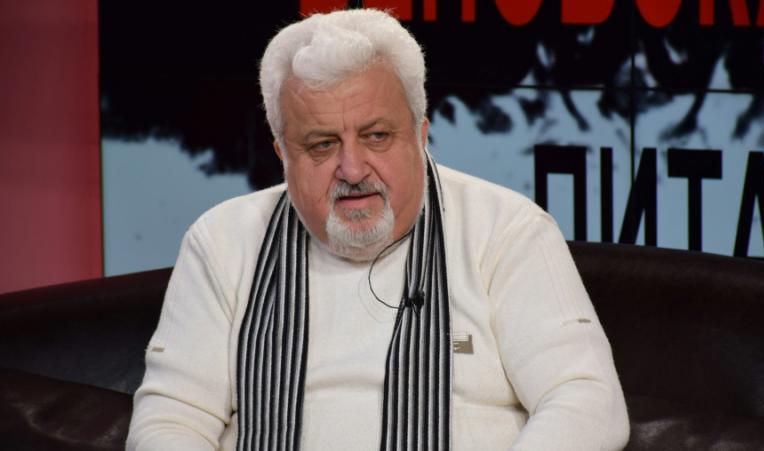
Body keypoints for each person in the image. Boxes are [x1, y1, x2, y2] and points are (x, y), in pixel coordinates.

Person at [127, 8, 629, 451]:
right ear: (283, 154)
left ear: (420, 134)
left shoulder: (507, 231)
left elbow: (586, 401)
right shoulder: (222, 240)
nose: (351, 168)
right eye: (322, 145)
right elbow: (171, 420)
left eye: (376, 136)